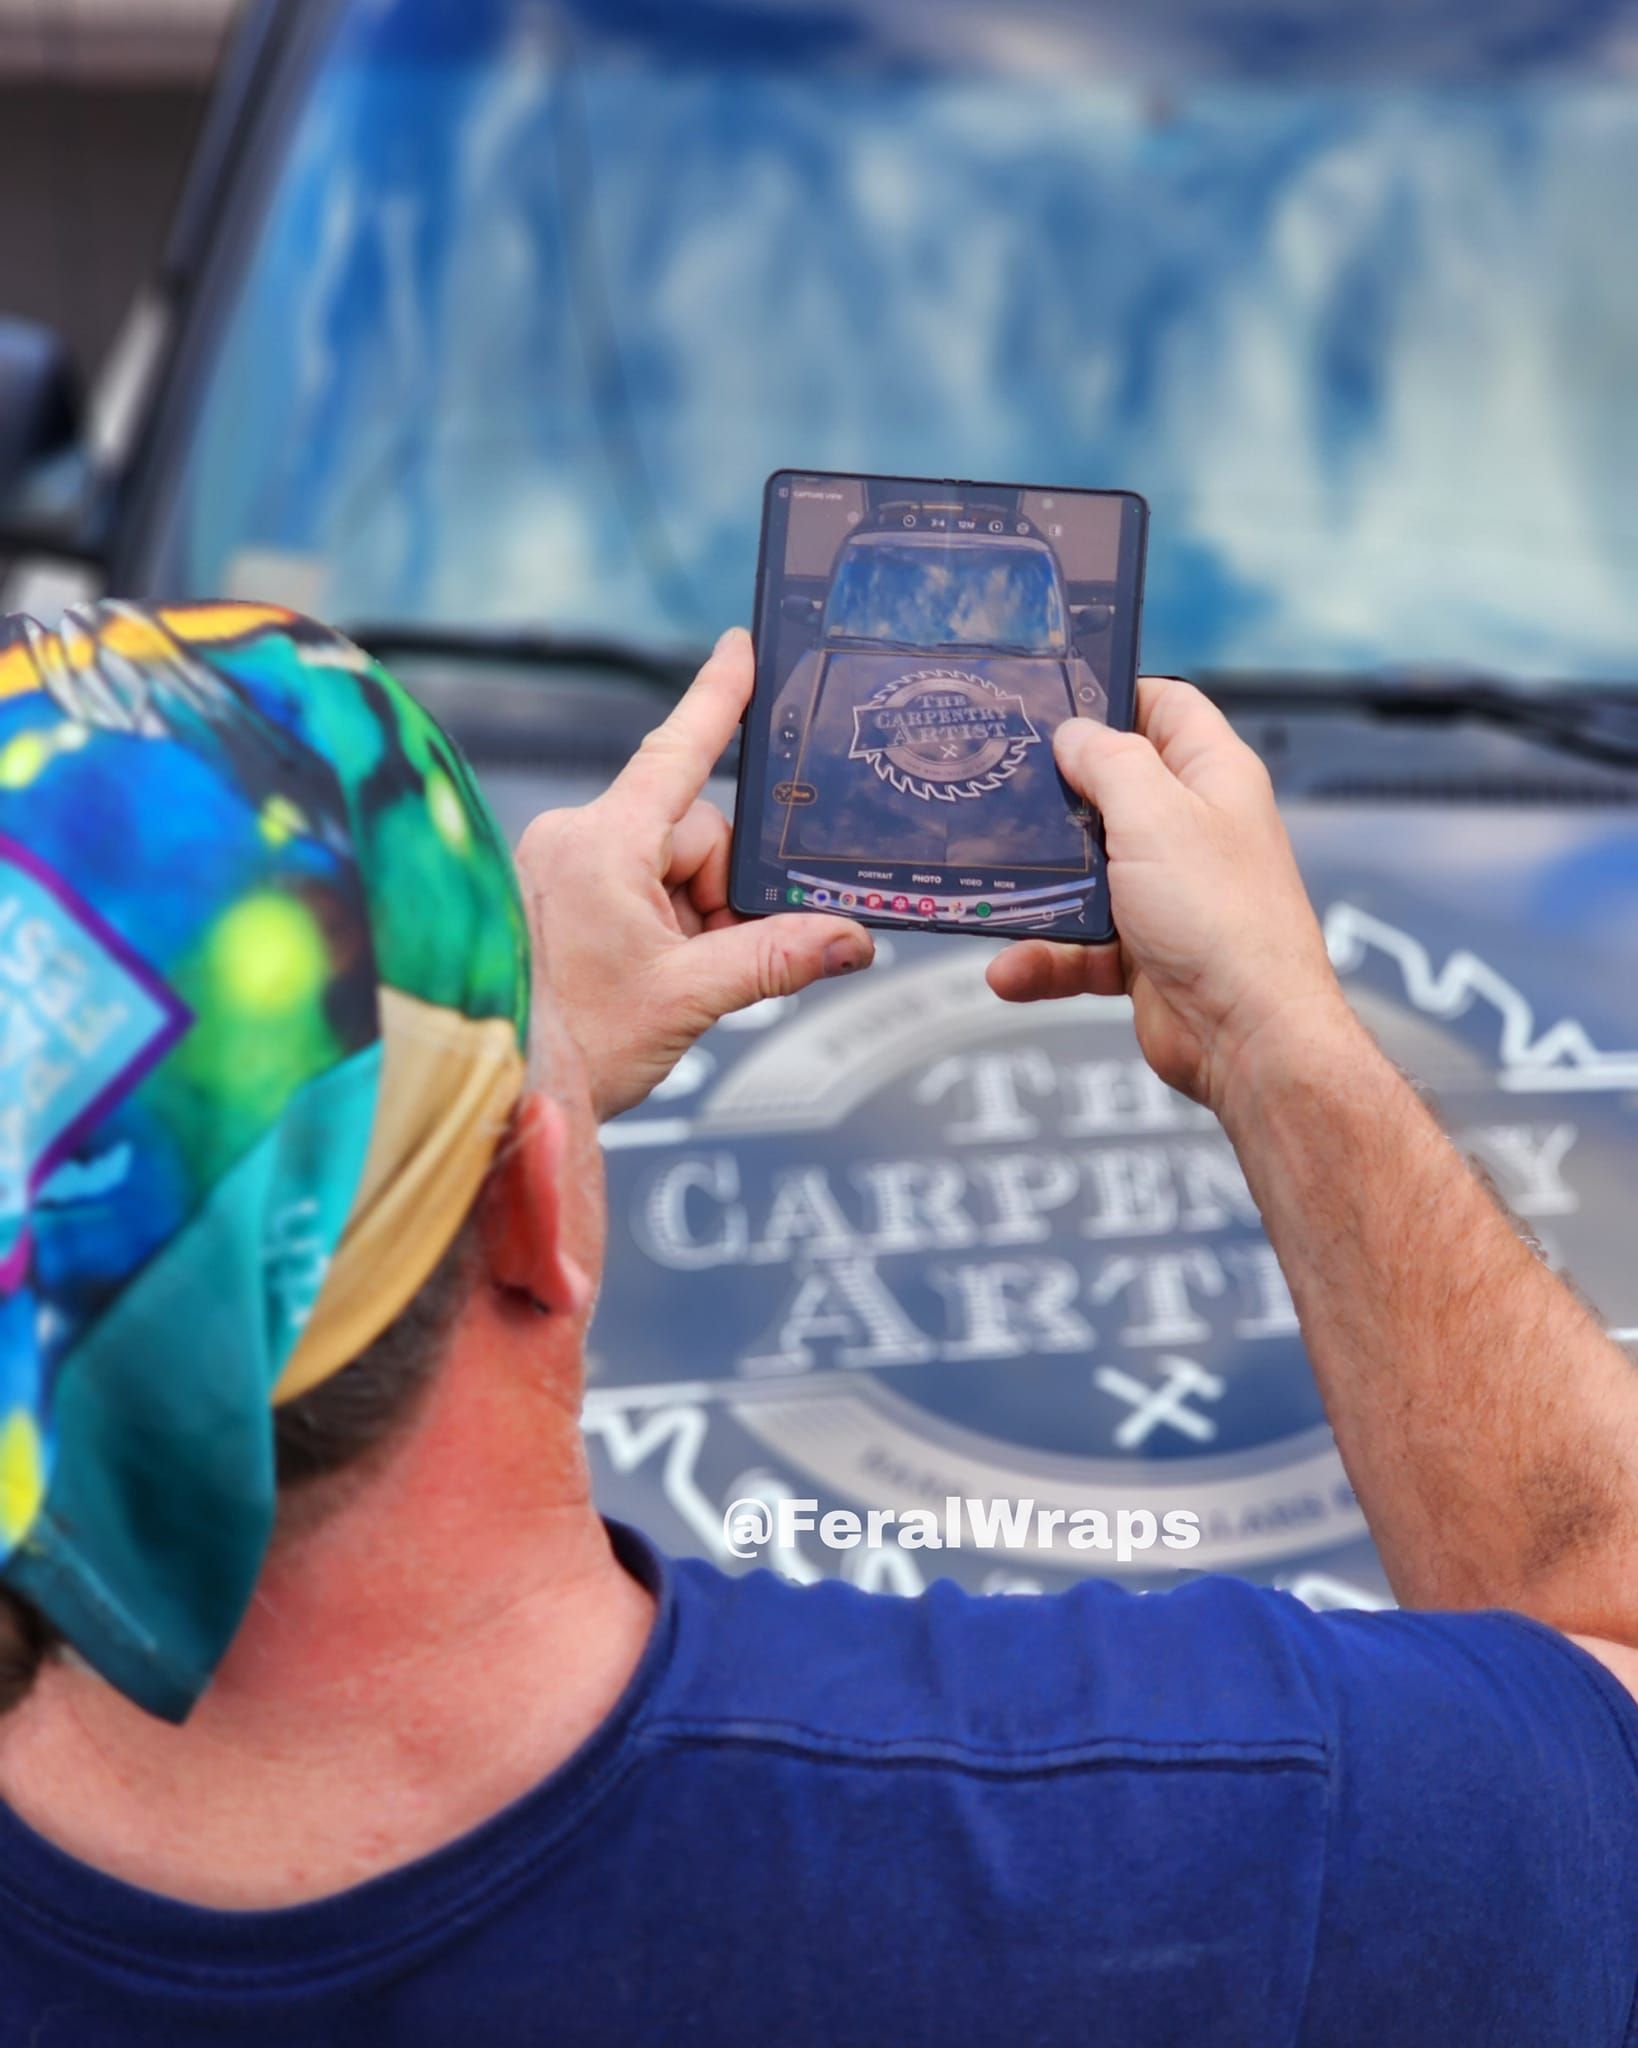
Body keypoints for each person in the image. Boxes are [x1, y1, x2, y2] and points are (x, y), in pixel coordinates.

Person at [0, 599, 1635, 2047]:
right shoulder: (1209, 1844)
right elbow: (1596, 1663)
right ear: (529, 1214)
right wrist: (1273, 1034)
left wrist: (529, 1060)